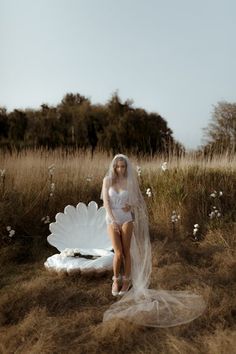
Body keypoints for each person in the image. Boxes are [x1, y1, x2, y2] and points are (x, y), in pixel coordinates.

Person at [101, 154, 206, 327]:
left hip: (127, 218)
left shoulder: (129, 182)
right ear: (114, 167)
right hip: (112, 219)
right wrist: (113, 220)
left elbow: (137, 201)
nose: (120, 169)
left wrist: (130, 206)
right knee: (117, 253)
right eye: (118, 166)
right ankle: (115, 279)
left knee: (127, 252)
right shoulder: (107, 180)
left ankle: (126, 280)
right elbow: (106, 202)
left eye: (123, 166)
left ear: (126, 167)